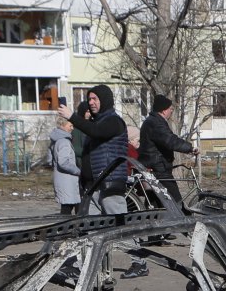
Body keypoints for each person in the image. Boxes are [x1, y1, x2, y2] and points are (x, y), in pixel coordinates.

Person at [70, 84, 129, 214]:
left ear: (105, 100)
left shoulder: (114, 121)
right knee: (92, 229)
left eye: (95, 99)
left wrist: (72, 117)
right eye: (89, 99)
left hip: (109, 184)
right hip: (93, 186)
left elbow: (96, 132)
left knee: (118, 227)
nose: (91, 102)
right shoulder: (96, 122)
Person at [140, 94, 195, 208]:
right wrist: (190, 148)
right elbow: (170, 140)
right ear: (164, 110)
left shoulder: (152, 121)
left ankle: (156, 223)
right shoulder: (156, 123)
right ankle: (184, 223)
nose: (171, 111)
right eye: (171, 109)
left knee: (156, 203)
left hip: (154, 167)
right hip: (158, 168)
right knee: (175, 202)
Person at [48, 114, 82, 215]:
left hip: (60, 179)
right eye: (70, 125)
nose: (72, 128)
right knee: (68, 208)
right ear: (62, 125)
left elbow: (49, 159)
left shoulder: (55, 140)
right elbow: (63, 163)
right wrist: (78, 171)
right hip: (68, 181)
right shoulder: (64, 142)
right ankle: (69, 229)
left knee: (67, 207)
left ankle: (69, 228)